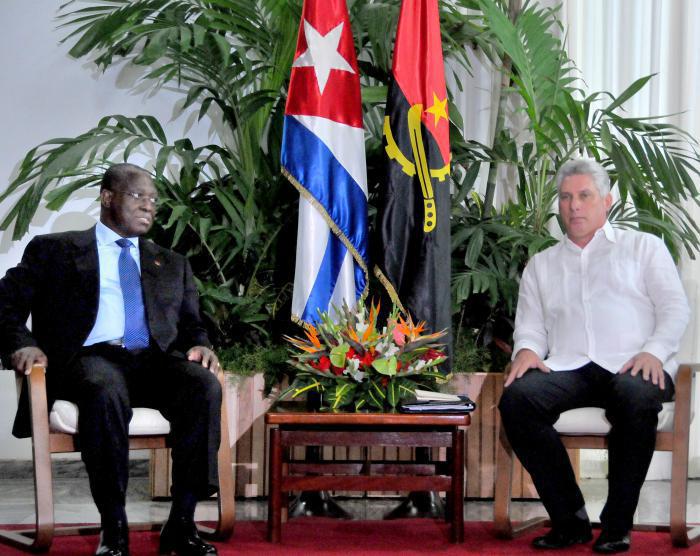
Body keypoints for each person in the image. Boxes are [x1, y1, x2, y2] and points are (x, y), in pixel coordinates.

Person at [0, 163, 222, 556]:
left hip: (151, 362)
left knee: (202, 385)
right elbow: (5, 304)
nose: (149, 206)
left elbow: (192, 326)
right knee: (104, 386)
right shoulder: (55, 250)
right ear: (107, 197)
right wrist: (22, 343)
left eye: (153, 199)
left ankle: (182, 522)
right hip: (87, 360)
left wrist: (202, 345)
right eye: (138, 196)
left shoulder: (171, 262)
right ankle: (114, 527)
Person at [499, 158, 690, 553]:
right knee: (518, 398)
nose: (574, 206)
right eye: (566, 197)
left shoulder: (644, 248)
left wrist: (654, 351)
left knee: (634, 395)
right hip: (570, 367)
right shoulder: (542, 265)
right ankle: (570, 521)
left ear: (606, 200)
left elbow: (674, 309)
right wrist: (527, 350)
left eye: (584, 196)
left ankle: (617, 525)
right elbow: (530, 327)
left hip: (634, 365)